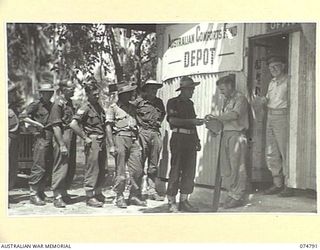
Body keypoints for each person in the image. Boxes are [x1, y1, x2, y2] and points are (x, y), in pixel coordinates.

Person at [205, 74, 249, 209]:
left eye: (223, 89)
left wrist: (217, 118)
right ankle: (231, 194)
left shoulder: (240, 98)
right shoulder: (226, 100)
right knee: (227, 167)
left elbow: (234, 115)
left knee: (237, 166)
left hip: (236, 135)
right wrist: (213, 125)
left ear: (230, 86)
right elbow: (223, 119)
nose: (221, 92)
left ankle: (238, 196)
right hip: (226, 134)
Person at [166, 76, 204, 213]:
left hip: (190, 139)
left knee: (189, 171)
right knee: (176, 170)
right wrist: (192, 122)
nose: (192, 92)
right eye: (190, 89)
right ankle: (171, 201)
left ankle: (184, 200)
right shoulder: (173, 102)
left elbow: (193, 125)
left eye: (193, 89)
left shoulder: (190, 104)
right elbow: (173, 121)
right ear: (183, 89)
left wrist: (197, 140)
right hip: (178, 138)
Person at [106, 82, 146, 209]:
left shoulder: (132, 107)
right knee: (120, 170)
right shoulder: (113, 108)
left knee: (138, 169)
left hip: (133, 138)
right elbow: (108, 127)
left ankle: (134, 195)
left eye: (131, 93)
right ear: (121, 94)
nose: (130, 95)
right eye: (128, 93)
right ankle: (120, 196)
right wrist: (111, 145)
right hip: (120, 137)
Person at [256, 55, 291, 197]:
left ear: (283, 66)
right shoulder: (272, 82)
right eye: (271, 67)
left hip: (282, 116)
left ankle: (290, 184)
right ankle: (277, 184)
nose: (273, 69)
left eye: (276, 66)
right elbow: (270, 99)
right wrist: (262, 100)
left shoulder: (289, 81)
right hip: (270, 115)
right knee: (271, 151)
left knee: (285, 151)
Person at [70, 83, 107, 208]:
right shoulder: (85, 107)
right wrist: (85, 138)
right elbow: (73, 124)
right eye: (94, 94)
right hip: (93, 140)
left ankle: (98, 192)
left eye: (98, 94)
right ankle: (89, 196)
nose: (97, 96)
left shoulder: (98, 107)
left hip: (102, 140)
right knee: (92, 168)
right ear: (88, 95)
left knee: (102, 167)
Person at [132, 79, 166, 201]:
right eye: (151, 88)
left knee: (153, 165)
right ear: (146, 90)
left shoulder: (159, 102)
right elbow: (131, 113)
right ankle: (137, 192)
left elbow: (162, 114)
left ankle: (152, 190)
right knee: (139, 164)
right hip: (143, 133)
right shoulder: (139, 102)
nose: (154, 91)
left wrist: (157, 123)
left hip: (155, 133)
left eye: (156, 89)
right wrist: (138, 127)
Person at [24, 78, 55, 206]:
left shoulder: (52, 105)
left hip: (51, 137)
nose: (48, 94)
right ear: (41, 94)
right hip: (40, 138)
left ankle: (41, 192)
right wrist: (36, 123)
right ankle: (33, 194)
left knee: (47, 166)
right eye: (45, 92)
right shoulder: (36, 104)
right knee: (39, 166)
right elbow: (23, 116)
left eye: (50, 92)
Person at [48, 79, 76, 208]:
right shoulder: (58, 104)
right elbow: (55, 126)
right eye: (71, 88)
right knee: (61, 166)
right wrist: (62, 144)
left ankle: (64, 192)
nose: (74, 90)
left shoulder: (68, 103)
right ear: (64, 89)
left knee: (69, 166)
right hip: (62, 136)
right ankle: (57, 196)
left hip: (71, 136)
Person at [8, 81, 20, 194]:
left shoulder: (14, 108)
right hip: (7, 139)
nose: (15, 95)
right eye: (13, 93)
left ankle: (7, 192)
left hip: (14, 138)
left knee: (12, 166)